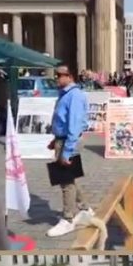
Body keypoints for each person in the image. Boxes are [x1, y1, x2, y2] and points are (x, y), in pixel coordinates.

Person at [46, 65, 90, 238]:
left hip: (67, 142)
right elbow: (62, 121)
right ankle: (85, 208)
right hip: (61, 140)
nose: (56, 78)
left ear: (70, 76)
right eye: (55, 75)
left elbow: (74, 124)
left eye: (59, 75)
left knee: (65, 182)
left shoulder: (74, 96)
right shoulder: (64, 94)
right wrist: (55, 139)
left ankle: (68, 218)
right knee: (69, 178)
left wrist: (66, 150)